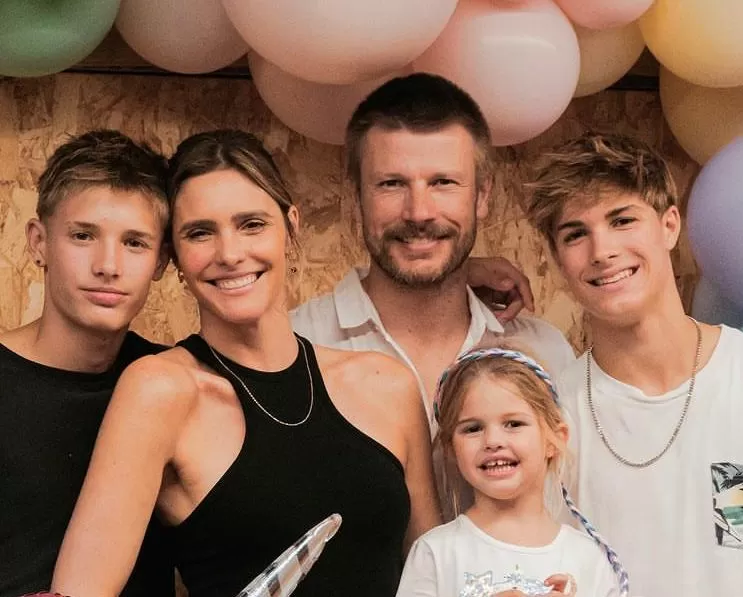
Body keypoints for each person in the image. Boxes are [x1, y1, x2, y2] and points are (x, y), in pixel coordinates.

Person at [52, 129, 442, 597]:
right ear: (174, 256)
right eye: (200, 233)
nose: (230, 254)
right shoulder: (160, 391)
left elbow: (438, 573)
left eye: (252, 224)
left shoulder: (388, 386)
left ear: (291, 228)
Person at [526, 132, 743, 597]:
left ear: (669, 225)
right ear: (557, 260)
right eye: (575, 234)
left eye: (622, 220)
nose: (602, 251)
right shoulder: (545, 422)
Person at [291, 73, 575, 437]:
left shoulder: (545, 354)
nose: (419, 213)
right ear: (357, 197)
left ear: (482, 196)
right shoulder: (296, 346)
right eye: (392, 184)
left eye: (443, 183)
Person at [0, 131, 175, 597]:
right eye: (83, 236)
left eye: (135, 242)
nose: (108, 266)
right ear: (38, 242)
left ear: (161, 260)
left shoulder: (173, 382)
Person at [396, 344, 626, 597]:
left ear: (554, 439)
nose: (493, 441)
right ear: (451, 448)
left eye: (513, 424)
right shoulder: (435, 553)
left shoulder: (589, 560)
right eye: (473, 428)